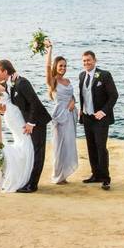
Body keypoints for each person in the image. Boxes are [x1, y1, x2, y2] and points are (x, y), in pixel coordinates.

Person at [0, 59, 50, 192]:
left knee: (38, 152)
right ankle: (28, 180)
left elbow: (34, 103)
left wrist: (31, 123)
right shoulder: (11, 83)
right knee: (32, 149)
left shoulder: (22, 82)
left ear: (5, 71)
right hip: (28, 121)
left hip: (38, 121)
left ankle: (32, 185)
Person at [78, 51, 119, 190]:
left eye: (88, 60)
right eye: (84, 61)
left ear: (95, 60)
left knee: (101, 148)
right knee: (91, 147)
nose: (86, 63)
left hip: (100, 118)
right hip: (87, 117)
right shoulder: (82, 75)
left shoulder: (104, 75)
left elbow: (114, 96)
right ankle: (95, 174)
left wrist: (103, 112)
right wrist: (81, 109)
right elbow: (83, 95)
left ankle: (105, 178)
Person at [44, 39, 78, 184]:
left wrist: (73, 102)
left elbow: (73, 96)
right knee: (59, 145)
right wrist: (50, 49)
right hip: (60, 115)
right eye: (60, 66)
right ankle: (57, 175)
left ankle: (64, 174)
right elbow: (47, 67)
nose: (63, 68)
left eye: (65, 66)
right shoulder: (53, 81)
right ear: (55, 67)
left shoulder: (68, 80)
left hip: (71, 114)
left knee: (69, 144)